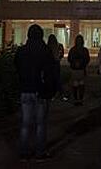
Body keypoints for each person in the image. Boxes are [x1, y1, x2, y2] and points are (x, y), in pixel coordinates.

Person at [14, 24, 57, 162]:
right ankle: (40, 153)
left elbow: (17, 68)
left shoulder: (21, 51)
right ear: (41, 35)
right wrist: (51, 90)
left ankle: (24, 153)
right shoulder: (45, 51)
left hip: (25, 90)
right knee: (40, 124)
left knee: (25, 124)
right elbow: (50, 73)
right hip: (40, 91)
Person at [68, 35, 90, 106]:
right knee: (81, 84)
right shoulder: (84, 50)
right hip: (81, 69)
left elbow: (69, 59)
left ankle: (76, 99)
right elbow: (87, 59)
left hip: (75, 69)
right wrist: (82, 63)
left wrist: (74, 63)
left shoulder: (72, 50)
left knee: (75, 84)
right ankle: (80, 99)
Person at [47, 34, 66, 100]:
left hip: (51, 64)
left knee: (52, 78)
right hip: (56, 63)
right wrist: (59, 58)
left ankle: (54, 93)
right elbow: (62, 53)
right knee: (57, 78)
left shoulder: (48, 47)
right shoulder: (59, 45)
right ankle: (59, 93)